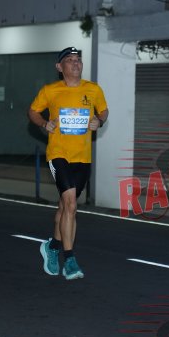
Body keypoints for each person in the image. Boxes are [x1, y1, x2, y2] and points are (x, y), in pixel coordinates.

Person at [28, 47, 108, 280]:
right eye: (70, 60)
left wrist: (99, 120)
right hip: (58, 154)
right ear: (59, 67)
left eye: (78, 60)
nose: (75, 63)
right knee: (71, 204)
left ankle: (51, 247)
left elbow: (103, 111)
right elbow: (33, 112)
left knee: (65, 207)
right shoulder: (50, 90)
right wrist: (44, 124)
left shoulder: (93, 89)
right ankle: (70, 260)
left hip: (82, 157)